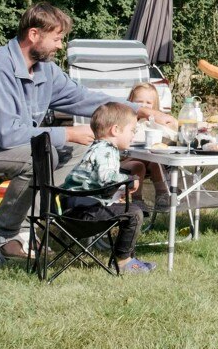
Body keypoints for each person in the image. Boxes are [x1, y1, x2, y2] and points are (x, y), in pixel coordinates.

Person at [0, 2, 177, 261]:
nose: (60, 46)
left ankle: (42, 223)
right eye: (56, 38)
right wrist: (68, 133)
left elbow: (83, 98)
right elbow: (8, 134)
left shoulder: (45, 70)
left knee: (81, 149)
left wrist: (141, 110)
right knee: (40, 156)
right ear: (34, 34)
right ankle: (6, 233)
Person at [61, 102, 154, 274]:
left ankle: (127, 258)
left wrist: (116, 194)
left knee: (130, 209)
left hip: (72, 209)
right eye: (132, 130)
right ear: (115, 130)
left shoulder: (96, 148)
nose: (133, 135)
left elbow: (96, 182)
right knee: (134, 213)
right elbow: (106, 178)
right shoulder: (107, 150)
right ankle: (123, 261)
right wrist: (129, 180)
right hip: (84, 213)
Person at [121, 82, 171, 203]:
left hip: (148, 160)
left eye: (148, 103)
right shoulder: (125, 120)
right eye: (139, 102)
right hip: (123, 161)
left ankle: (162, 196)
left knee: (155, 162)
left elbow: (171, 134)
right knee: (139, 164)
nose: (144, 106)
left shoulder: (153, 122)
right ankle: (137, 200)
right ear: (130, 102)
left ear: (154, 105)